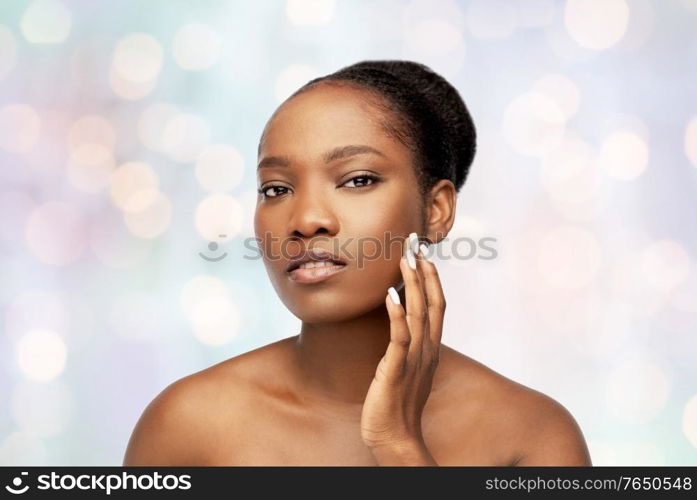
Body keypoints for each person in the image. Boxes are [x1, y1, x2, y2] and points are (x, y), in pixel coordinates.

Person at [123, 60, 592, 466]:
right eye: (276, 189)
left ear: (436, 211)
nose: (306, 219)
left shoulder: (531, 437)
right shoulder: (186, 425)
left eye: (357, 179)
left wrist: (401, 447)